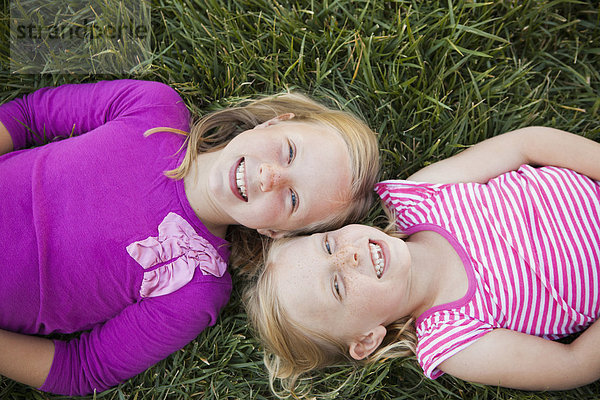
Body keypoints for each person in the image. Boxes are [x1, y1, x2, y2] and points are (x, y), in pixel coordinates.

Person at [0, 79, 379, 395]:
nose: (270, 177)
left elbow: (81, 369)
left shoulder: (196, 289)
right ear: (273, 123)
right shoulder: (152, 109)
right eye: (290, 152)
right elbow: (28, 117)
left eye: (294, 199)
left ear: (277, 232)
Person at [246, 126, 600, 397]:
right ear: (367, 339)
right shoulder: (453, 340)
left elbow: (526, 144)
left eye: (327, 246)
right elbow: (574, 363)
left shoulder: (421, 198)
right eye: (337, 286)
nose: (348, 255)